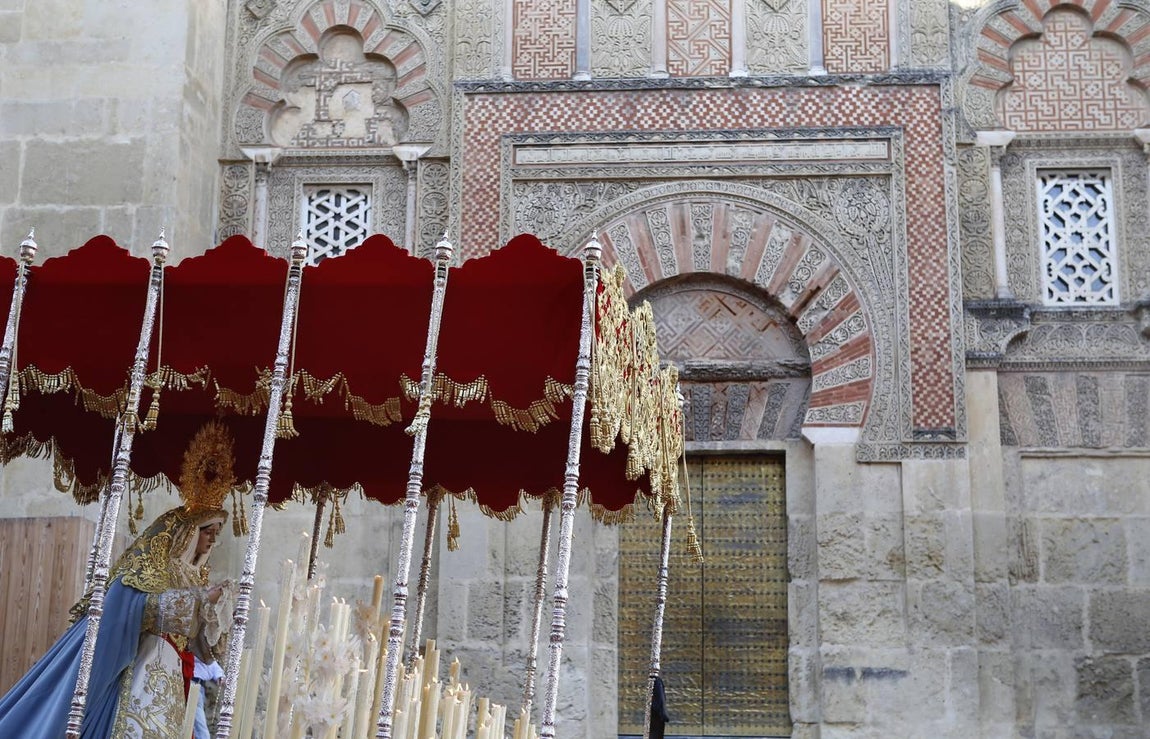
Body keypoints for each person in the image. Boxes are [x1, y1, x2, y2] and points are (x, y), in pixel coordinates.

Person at [0, 421, 241, 739]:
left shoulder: (192, 579)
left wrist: (218, 623)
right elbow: (138, 608)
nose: (211, 541)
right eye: (206, 532)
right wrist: (202, 600)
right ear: (184, 534)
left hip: (170, 679)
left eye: (215, 535)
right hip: (137, 673)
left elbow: (199, 644)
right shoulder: (145, 569)